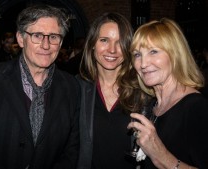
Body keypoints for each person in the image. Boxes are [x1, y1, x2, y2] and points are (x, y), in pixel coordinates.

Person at [0, 4, 80, 169]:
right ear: (20, 38)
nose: (46, 45)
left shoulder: (71, 86)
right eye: (37, 35)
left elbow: (71, 150)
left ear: (60, 43)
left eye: (53, 37)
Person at [128, 18, 208, 168]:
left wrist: (161, 155)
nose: (143, 64)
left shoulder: (196, 108)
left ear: (175, 54)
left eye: (153, 51)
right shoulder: (152, 106)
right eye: (137, 55)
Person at [77, 12, 150, 169]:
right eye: (104, 40)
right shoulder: (77, 89)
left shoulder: (144, 92)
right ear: (92, 44)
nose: (112, 50)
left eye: (120, 42)